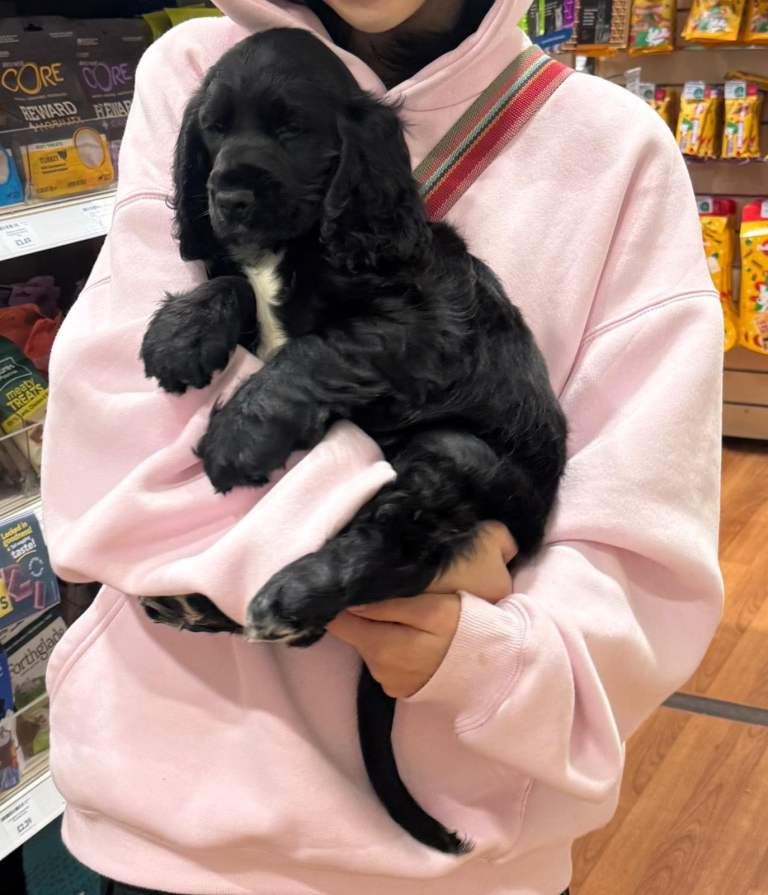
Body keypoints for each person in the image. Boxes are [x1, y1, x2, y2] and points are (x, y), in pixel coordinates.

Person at [41, 1, 724, 894]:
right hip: (171, 828)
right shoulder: (189, 68)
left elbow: (644, 552)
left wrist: (484, 654)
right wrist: (424, 553)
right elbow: (111, 430)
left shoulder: (616, 148)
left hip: (463, 861)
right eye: (223, 138)